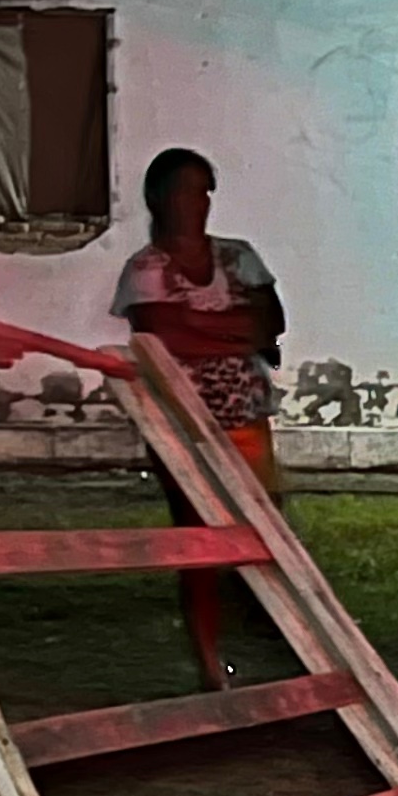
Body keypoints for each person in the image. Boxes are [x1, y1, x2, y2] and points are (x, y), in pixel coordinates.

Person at [111, 146, 287, 688]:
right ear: (158, 199)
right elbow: (164, 336)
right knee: (199, 539)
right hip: (182, 424)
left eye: (204, 190)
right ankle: (212, 659)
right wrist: (236, 331)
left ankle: (269, 643)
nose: (197, 202)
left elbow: (269, 322)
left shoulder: (238, 256)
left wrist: (207, 329)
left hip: (243, 413)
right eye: (185, 190)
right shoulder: (146, 269)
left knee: (264, 529)